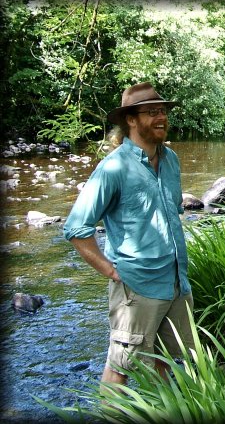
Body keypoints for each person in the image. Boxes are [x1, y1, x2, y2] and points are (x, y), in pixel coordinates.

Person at [63, 82, 194, 387]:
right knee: (120, 365)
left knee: (165, 358)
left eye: (162, 111)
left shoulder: (171, 160)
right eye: (151, 112)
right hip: (137, 288)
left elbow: (172, 212)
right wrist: (111, 270)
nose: (161, 117)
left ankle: (161, 410)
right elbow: (76, 229)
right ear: (131, 120)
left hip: (176, 280)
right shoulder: (113, 168)